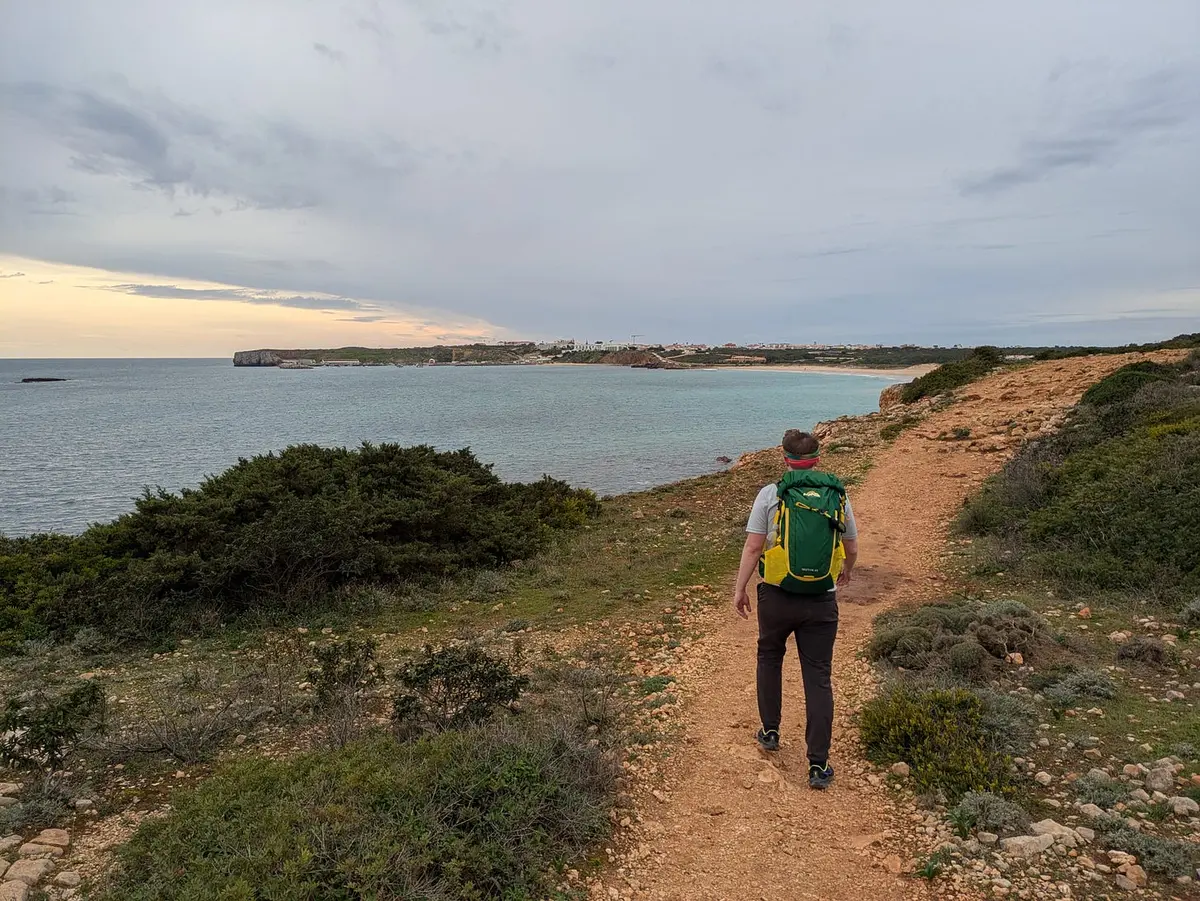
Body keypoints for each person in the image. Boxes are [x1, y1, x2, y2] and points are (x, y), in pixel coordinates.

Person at [733, 429, 858, 789]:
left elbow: (754, 547)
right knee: (818, 676)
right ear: (817, 458)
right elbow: (851, 545)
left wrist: (740, 588)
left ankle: (770, 732)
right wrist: (847, 570)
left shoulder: (770, 494)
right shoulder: (837, 495)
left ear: (785, 458)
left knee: (770, 657)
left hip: (777, 595)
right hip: (821, 598)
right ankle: (818, 765)